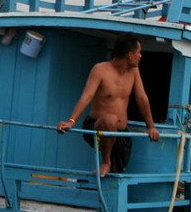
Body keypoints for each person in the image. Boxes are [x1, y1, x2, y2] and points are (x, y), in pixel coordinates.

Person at [57, 34, 160, 177]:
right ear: (130, 55)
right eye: (139, 52)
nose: (141, 56)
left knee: (116, 177)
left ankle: (109, 181)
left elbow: (142, 98)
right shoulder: (100, 69)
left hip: (120, 133)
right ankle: (106, 162)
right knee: (109, 120)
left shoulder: (134, 71)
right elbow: (86, 97)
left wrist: (151, 126)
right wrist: (71, 121)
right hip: (97, 127)